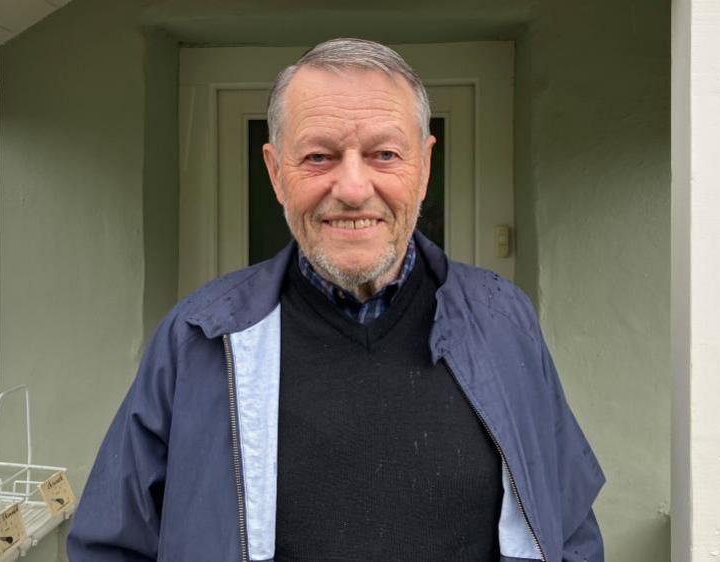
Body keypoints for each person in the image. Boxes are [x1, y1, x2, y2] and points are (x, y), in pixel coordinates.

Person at [68, 38, 605, 562]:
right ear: (277, 172)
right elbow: (111, 544)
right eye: (320, 156)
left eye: (385, 154)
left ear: (423, 166)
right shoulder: (198, 339)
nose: (351, 187)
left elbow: (569, 530)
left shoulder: (504, 322)